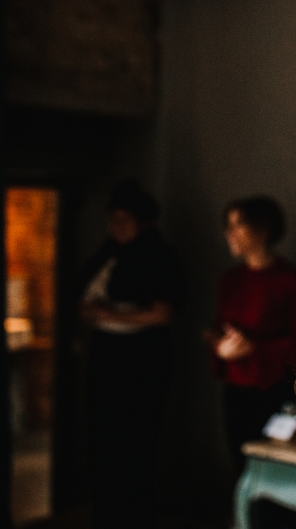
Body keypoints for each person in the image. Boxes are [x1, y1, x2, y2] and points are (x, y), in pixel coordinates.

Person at [80, 179, 184, 529]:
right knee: (103, 439)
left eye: (125, 221)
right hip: (107, 356)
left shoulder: (156, 256)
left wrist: (108, 314)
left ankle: (135, 518)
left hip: (141, 360)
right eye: (114, 221)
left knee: (135, 441)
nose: (118, 228)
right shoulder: (108, 255)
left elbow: (161, 312)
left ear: (142, 222)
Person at [210, 195, 296, 472]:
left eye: (238, 225)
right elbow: (215, 331)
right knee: (239, 463)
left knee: (274, 466)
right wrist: (221, 348)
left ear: (263, 228)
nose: (229, 234)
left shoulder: (290, 281)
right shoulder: (229, 281)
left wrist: (255, 349)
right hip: (235, 388)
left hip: (273, 390)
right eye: (227, 226)